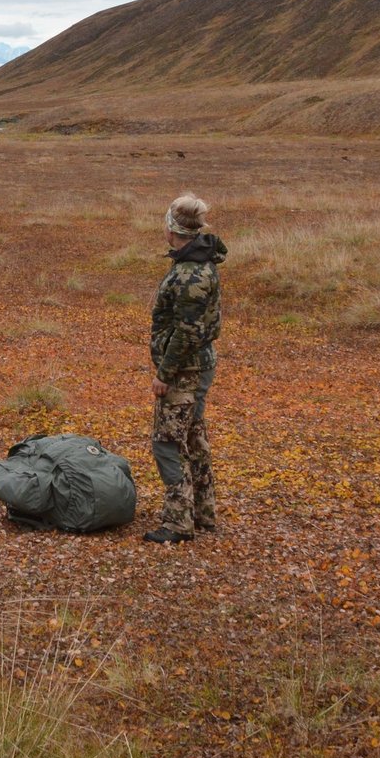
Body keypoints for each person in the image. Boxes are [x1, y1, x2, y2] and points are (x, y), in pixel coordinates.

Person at [144, 193, 226, 544]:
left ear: (171, 228)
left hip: (185, 371)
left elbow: (186, 332)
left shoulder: (190, 273)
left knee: (167, 442)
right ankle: (202, 512)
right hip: (197, 366)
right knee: (193, 434)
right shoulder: (197, 261)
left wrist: (165, 373)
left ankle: (179, 521)